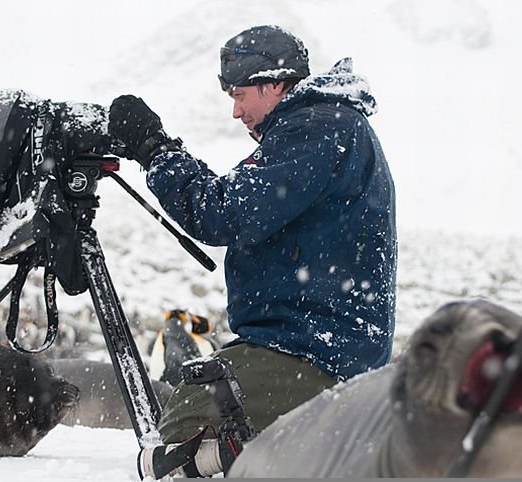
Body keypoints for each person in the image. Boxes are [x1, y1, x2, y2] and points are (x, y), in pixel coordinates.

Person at [108, 25, 397, 447]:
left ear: (274, 84)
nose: (236, 112)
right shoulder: (324, 126)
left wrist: (156, 150)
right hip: (316, 343)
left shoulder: (318, 128)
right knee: (205, 401)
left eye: (239, 96)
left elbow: (223, 212)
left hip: (318, 351)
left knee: (188, 427)